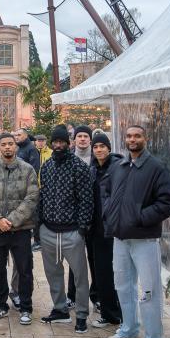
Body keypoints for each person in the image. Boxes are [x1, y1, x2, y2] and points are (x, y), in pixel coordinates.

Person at [103, 126, 170, 338]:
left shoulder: (156, 167)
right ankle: (129, 329)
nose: (132, 139)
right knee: (123, 286)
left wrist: (140, 217)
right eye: (128, 136)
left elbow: (167, 201)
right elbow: (106, 191)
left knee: (149, 290)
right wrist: (109, 211)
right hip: (120, 238)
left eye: (137, 136)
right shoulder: (119, 166)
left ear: (145, 139)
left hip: (144, 239)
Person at [38, 125, 93, 334]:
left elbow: (86, 200)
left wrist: (82, 228)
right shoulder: (47, 166)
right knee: (53, 274)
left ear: (68, 143)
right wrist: (40, 225)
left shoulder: (79, 167)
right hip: (49, 230)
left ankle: (81, 315)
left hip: (72, 232)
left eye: (62, 142)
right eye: (56, 142)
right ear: (52, 144)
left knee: (79, 276)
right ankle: (60, 309)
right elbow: (42, 197)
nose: (59, 145)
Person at [0, 133, 39, 325]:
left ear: (16, 147)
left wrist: (11, 220)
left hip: (20, 229)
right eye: (3, 144)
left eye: (10, 144)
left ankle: (26, 307)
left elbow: (31, 198)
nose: (7, 147)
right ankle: (0, 305)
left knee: (24, 269)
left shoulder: (27, 170)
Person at [88, 132, 123, 329]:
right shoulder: (93, 169)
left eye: (102, 146)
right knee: (102, 273)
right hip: (97, 230)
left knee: (118, 273)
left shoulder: (119, 168)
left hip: (114, 229)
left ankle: (120, 312)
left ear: (109, 148)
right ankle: (110, 313)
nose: (99, 150)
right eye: (96, 147)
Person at [66, 125, 98, 311]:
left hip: (95, 219)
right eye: (80, 136)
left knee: (95, 260)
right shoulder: (69, 159)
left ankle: (96, 295)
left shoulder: (97, 159)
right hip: (73, 218)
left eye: (86, 136)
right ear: (74, 140)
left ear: (91, 140)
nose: (83, 139)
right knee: (74, 261)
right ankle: (72, 295)